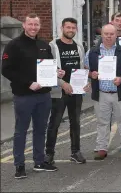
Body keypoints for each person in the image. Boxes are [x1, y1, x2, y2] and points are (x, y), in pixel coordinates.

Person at [2, 14, 65, 179]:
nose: (33, 27)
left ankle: (39, 162)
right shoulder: (13, 45)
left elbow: (50, 66)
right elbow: (6, 70)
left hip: (44, 95)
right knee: (20, 131)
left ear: (39, 26)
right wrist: (27, 83)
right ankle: (19, 165)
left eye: (36, 25)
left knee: (40, 130)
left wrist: (57, 71)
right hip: (24, 96)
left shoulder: (44, 45)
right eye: (30, 24)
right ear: (24, 25)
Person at [84, 24, 121, 160]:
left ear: (116, 35)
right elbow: (85, 68)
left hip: (120, 92)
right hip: (101, 93)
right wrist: (91, 74)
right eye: (106, 34)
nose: (108, 36)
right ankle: (102, 148)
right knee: (102, 122)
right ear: (101, 35)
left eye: (111, 34)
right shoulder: (92, 52)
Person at [45, 17, 89, 165]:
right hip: (59, 91)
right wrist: (62, 83)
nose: (70, 30)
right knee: (55, 123)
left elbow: (82, 67)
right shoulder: (53, 46)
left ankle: (75, 152)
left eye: (73, 28)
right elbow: (49, 69)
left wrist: (86, 82)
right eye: (68, 27)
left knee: (75, 122)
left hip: (76, 91)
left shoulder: (79, 46)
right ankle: (49, 154)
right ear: (62, 28)